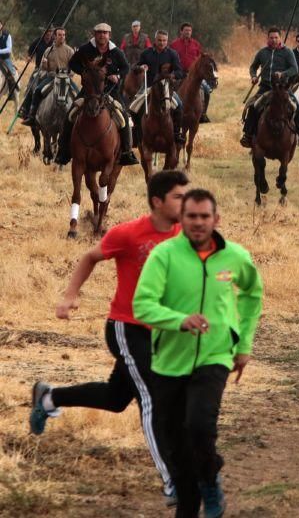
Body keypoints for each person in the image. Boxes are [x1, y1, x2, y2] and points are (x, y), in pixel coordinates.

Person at [30, 170, 189, 507]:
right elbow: (90, 256)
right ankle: (173, 479)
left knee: (116, 398)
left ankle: (48, 399)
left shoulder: (183, 234)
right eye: (178, 196)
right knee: (151, 398)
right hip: (126, 327)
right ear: (158, 201)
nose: (185, 202)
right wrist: (69, 294)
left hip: (161, 332)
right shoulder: (129, 233)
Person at [133, 189, 263, 518]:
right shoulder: (164, 255)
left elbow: (252, 292)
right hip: (168, 361)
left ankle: (210, 478)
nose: (198, 223)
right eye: (191, 216)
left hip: (215, 356)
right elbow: (143, 305)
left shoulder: (234, 256)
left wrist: (243, 342)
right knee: (176, 447)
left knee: (200, 426)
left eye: (205, 217)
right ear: (182, 219)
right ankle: (192, 497)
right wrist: (179, 321)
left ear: (216, 219)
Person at [55, 23, 138, 166]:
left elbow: (126, 67)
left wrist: (117, 75)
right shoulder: (85, 49)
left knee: (123, 116)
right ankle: (64, 151)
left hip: (110, 90)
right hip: (89, 91)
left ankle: (127, 152)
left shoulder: (116, 52)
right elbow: (72, 63)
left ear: (109, 35)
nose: (102, 35)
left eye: (105, 33)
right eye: (99, 32)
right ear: (95, 34)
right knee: (70, 114)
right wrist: (85, 73)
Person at [241, 27, 299, 148]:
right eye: (271, 38)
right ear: (268, 38)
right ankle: (247, 136)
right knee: (253, 107)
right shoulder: (262, 52)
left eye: (276, 38)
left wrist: (283, 74)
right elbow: (253, 67)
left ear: (280, 38)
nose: (274, 40)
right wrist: (254, 76)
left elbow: (294, 69)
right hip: (265, 87)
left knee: (296, 106)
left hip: (283, 88)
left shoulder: (288, 52)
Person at [133, 30, 187, 146]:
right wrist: (141, 67)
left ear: (167, 41)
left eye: (164, 40)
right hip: (149, 86)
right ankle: (136, 134)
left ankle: (177, 134)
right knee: (133, 108)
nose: (162, 43)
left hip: (166, 87)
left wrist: (172, 75)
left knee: (179, 106)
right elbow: (135, 68)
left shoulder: (172, 54)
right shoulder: (146, 53)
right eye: (159, 40)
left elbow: (180, 72)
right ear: (155, 40)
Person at [21, 27, 76, 125]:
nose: (62, 37)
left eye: (63, 35)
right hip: (52, 77)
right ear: (55, 36)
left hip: (65, 78)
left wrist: (69, 74)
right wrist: (44, 64)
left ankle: (77, 119)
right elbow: (44, 68)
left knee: (78, 93)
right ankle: (32, 116)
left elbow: (74, 68)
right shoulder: (48, 50)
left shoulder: (70, 51)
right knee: (37, 90)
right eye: (59, 35)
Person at [170, 22, 212, 123]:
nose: (188, 32)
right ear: (181, 31)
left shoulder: (196, 44)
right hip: (179, 74)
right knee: (171, 89)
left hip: (193, 75)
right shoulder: (174, 44)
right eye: (186, 30)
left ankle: (203, 113)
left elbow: (200, 60)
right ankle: (172, 111)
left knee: (206, 90)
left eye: (189, 31)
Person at [0, 20, 18, 92]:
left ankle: (13, 89)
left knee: (12, 73)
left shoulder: (7, 36)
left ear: (2, 26)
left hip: (5, 59)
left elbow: (9, 49)